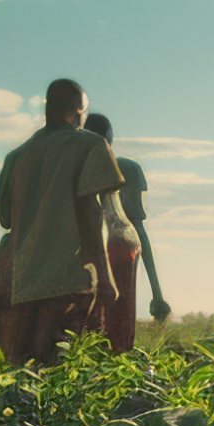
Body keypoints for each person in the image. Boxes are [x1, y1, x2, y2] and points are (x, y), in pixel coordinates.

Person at [0, 79, 121, 367]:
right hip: (68, 278)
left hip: (23, 282)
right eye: (83, 112)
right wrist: (106, 277)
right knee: (61, 364)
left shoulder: (17, 156)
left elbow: (5, 219)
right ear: (77, 110)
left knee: (25, 367)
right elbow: (91, 214)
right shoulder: (90, 145)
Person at [80, 113, 171, 352]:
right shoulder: (127, 168)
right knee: (114, 333)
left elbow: (135, 226)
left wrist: (157, 294)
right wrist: (157, 294)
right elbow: (137, 228)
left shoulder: (69, 169)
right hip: (113, 254)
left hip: (88, 255)